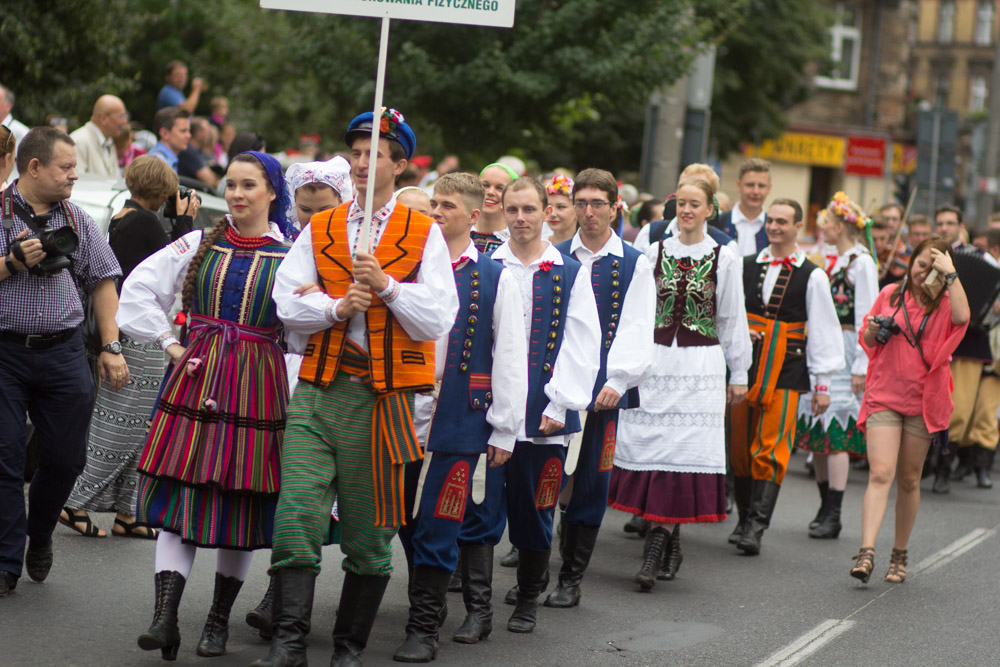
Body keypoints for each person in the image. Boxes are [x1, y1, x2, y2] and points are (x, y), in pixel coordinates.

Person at [255, 108, 456, 667]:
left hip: (383, 401)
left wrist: (389, 288)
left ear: (400, 163)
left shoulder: (424, 233)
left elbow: (439, 316)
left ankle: (348, 649)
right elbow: (286, 301)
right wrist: (336, 305)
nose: (364, 162)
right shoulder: (322, 226)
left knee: (370, 537)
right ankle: (288, 644)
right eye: (358, 152)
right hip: (318, 389)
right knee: (295, 515)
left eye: (377, 153)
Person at [121, 151, 297, 660]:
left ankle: (217, 622)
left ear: (271, 193)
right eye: (232, 185)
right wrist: (171, 346)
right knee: (179, 496)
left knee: (236, 506)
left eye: (248, 186)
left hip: (256, 387)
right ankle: (165, 617)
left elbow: (305, 329)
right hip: (197, 379)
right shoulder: (198, 240)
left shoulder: (290, 255)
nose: (237, 194)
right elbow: (139, 288)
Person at [392, 172, 527, 662]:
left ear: (473, 215)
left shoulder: (496, 275)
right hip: (403, 412)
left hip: (462, 418)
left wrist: (506, 427)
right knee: (403, 518)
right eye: (433, 203)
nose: (435, 212)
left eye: (447, 206)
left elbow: (509, 353)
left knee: (441, 521)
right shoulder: (406, 266)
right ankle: (427, 604)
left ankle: (423, 629)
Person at [0, 127, 127, 598]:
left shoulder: (79, 219)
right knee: (6, 455)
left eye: (75, 166)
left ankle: (40, 531)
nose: (75, 174)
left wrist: (111, 347)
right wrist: (11, 262)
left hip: (64, 352)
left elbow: (103, 281)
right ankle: (6, 559)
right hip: (6, 352)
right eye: (66, 167)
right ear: (34, 168)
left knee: (66, 458)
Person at [612, 178, 750, 588]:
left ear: (710, 210)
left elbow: (730, 317)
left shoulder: (725, 256)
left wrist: (739, 372)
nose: (686, 211)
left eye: (695, 204)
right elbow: (636, 313)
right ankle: (668, 542)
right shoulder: (652, 251)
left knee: (682, 451)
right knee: (655, 448)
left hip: (700, 365)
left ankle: (656, 548)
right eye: (681, 204)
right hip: (656, 363)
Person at [60, 155, 200, 539]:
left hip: (127, 334)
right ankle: (75, 500)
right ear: (162, 188)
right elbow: (171, 273)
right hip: (138, 338)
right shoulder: (144, 223)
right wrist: (185, 222)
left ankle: (128, 511)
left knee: (139, 426)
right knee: (123, 424)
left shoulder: (123, 217)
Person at [488, 177, 600, 634]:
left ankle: (528, 598)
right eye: (512, 210)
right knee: (479, 506)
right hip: (489, 408)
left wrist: (561, 404)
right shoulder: (486, 264)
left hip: (545, 410)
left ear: (546, 212)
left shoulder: (569, 271)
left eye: (529, 209)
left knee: (535, 509)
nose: (520, 219)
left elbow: (582, 343)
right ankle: (476, 604)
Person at [548, 168, 654, 601]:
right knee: (546, 474)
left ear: (615, 207)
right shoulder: (554, 255)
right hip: (555, 386)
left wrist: (617, 379)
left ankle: (570, 580)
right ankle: (535, 569)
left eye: (597, 204)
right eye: (582, 203)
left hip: (605, 390)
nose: (588, 212)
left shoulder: (633, 262)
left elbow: (637, 325)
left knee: (591, 479)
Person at [728, 198, 844, 555]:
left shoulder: (813, 274)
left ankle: (756, 528)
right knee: (739, 446)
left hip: (788, 367)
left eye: (783, 221)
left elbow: (824, 330)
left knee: (773, 445)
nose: (775, 227)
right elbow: (730, 314)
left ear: (798, 226)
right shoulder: (745, 265)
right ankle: (743, 517)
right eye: (772, 221)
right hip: (744, 365)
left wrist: (822, 385)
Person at [850, 238, 969, 583]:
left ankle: (898, 554)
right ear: (910, 263)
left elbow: (963, 317)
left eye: (932, 269)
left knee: (908, 478)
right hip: (884, 394)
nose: (923, 274)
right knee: (880, 473)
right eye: (920, 265)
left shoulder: (946, 302)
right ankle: (866, 552)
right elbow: (868, 340)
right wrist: (873, 331)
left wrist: (951, 275)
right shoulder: (889, 293)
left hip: (923, 400)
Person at [795, 193, 879, 539]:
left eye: (826, 221)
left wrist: (862, 363)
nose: (822, 226)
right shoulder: (829, 259)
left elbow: (868, 315)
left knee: (836, 434)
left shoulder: (862, 263)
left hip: (846, 352)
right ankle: (824, 504)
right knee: (818, 433)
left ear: (843, 225)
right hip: (820, 349)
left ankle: (835, 511)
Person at [930, 204, 1000, 494]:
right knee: (932, 405)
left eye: (950, 223)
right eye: (940, 223)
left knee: (959, 411)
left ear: (961, 226)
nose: (944, 228)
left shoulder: (981, 259)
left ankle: (944, 471)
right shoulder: (929, 256)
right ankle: (928, 464)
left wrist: (994, 309)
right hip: (937, 338)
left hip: (971, 342)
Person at [716, 158, 771, 256]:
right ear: (738, 185)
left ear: (769, 188)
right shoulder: (719, 222)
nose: (755, 191)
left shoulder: (773, 228)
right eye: (750, 185)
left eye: (761, 186)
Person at [69, 95, 129, 178]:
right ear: (103, 118)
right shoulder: (79, 141)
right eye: (121, 117)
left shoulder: (109, 141)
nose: (125, 121)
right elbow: (77, 183)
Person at [473, 163, 517, 254]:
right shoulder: (460, 233)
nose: (490, 192)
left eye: (500, 188)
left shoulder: (516, 242)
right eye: (485, 185)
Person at [178, 117, 221, 188]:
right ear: (198, 133)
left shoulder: (199, 151)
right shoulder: (189, 152)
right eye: (207, 132)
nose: (209, 136)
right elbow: (211, 181)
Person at [148, 107, 192, 173]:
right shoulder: (158, 163)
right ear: (165, 133)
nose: (189, 136)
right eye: (183, 131)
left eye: (189, 131)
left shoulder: (164, 160)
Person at [543, 174, 577, 245]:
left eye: (561, 207)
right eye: (549, 207)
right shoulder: (540, 245)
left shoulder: (586, 246)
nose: (552, 214)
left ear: (577, 209)